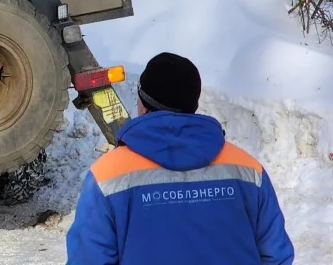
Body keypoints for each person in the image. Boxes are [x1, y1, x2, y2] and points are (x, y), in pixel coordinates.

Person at [67, 52, 293, 264]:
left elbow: (88, 258)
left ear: (143, 105)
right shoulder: (248, 170)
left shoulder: (107, 175)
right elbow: (276, 254)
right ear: (193, 104)